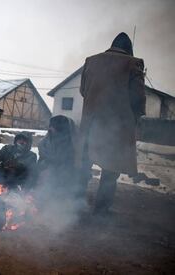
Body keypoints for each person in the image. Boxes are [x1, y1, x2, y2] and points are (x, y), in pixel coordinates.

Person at [78, 32, 146, 214]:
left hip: (90, 124)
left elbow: (83, 90)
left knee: (84, 164)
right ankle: (100, 211)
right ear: (129, 50)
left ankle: (73, 203)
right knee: (110, 170)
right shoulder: (133, 63)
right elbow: (138, 99)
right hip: (115, 128)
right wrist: (135, 118)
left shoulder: (90, 61)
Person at [36, 115, 79, 198]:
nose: (50, 129)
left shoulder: (68, 143)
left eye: (53, 126)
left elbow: (63, 160)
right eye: (50, 126)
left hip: (62, 174)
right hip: (47, 169)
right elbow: (42, 150)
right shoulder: (48, 139)